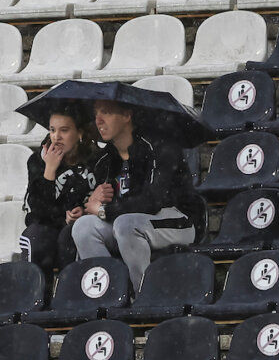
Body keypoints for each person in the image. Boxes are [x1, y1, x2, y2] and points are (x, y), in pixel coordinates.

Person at [72, 100, 198, 292]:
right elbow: (90, 203)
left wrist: (104, 210)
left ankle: (144, 295)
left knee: (126, 225)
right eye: (96, 114)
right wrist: (91, 201)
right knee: (83, 227)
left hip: (178, 220)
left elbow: (152, 202)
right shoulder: (105, 159)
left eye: (106, 112)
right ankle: (110, 293)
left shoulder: (160, 147)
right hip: (128, 221)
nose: (98, 121)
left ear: (126, 116)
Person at [20, 104, 98, 274]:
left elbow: (99, 198)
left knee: (70, 235)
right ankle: (36, 295)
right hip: (48, 227)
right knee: (35, 236)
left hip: (79, 228)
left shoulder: (96, 160)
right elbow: (38, 213)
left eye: (64, 130)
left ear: (79, 133)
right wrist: (49, 170)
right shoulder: (38, 161)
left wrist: (82, 213)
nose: (57, 137)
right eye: (52, 130)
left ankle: (69, 293)